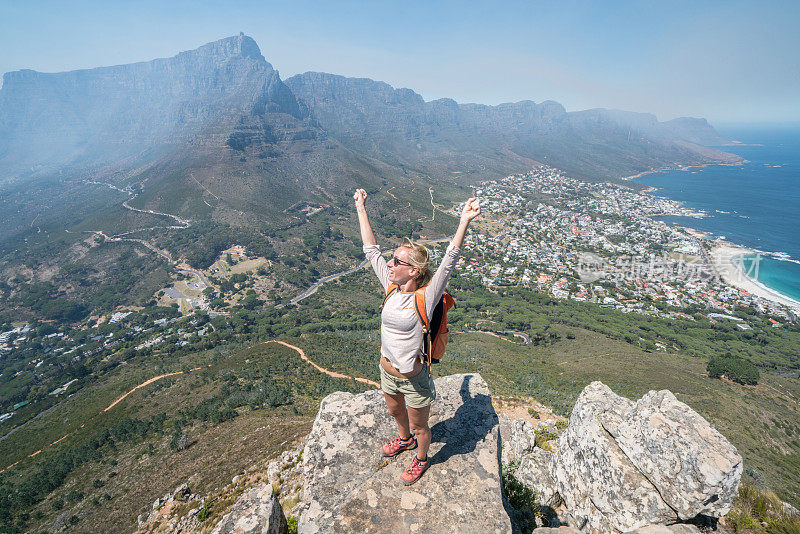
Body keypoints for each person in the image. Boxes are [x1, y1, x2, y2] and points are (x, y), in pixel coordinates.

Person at [354, 188, 481, 485]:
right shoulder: (391, 286)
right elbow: (370, 249)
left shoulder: (426, 297)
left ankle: (421, 459)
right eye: (392, 260)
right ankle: (404, 440)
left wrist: (464, 221)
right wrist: (361, 207)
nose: (389, 264)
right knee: (394, 410)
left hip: (414, 377)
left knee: (419, 425)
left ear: (413, 272)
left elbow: (450, 260)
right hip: (387, 371)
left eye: (397, 261)